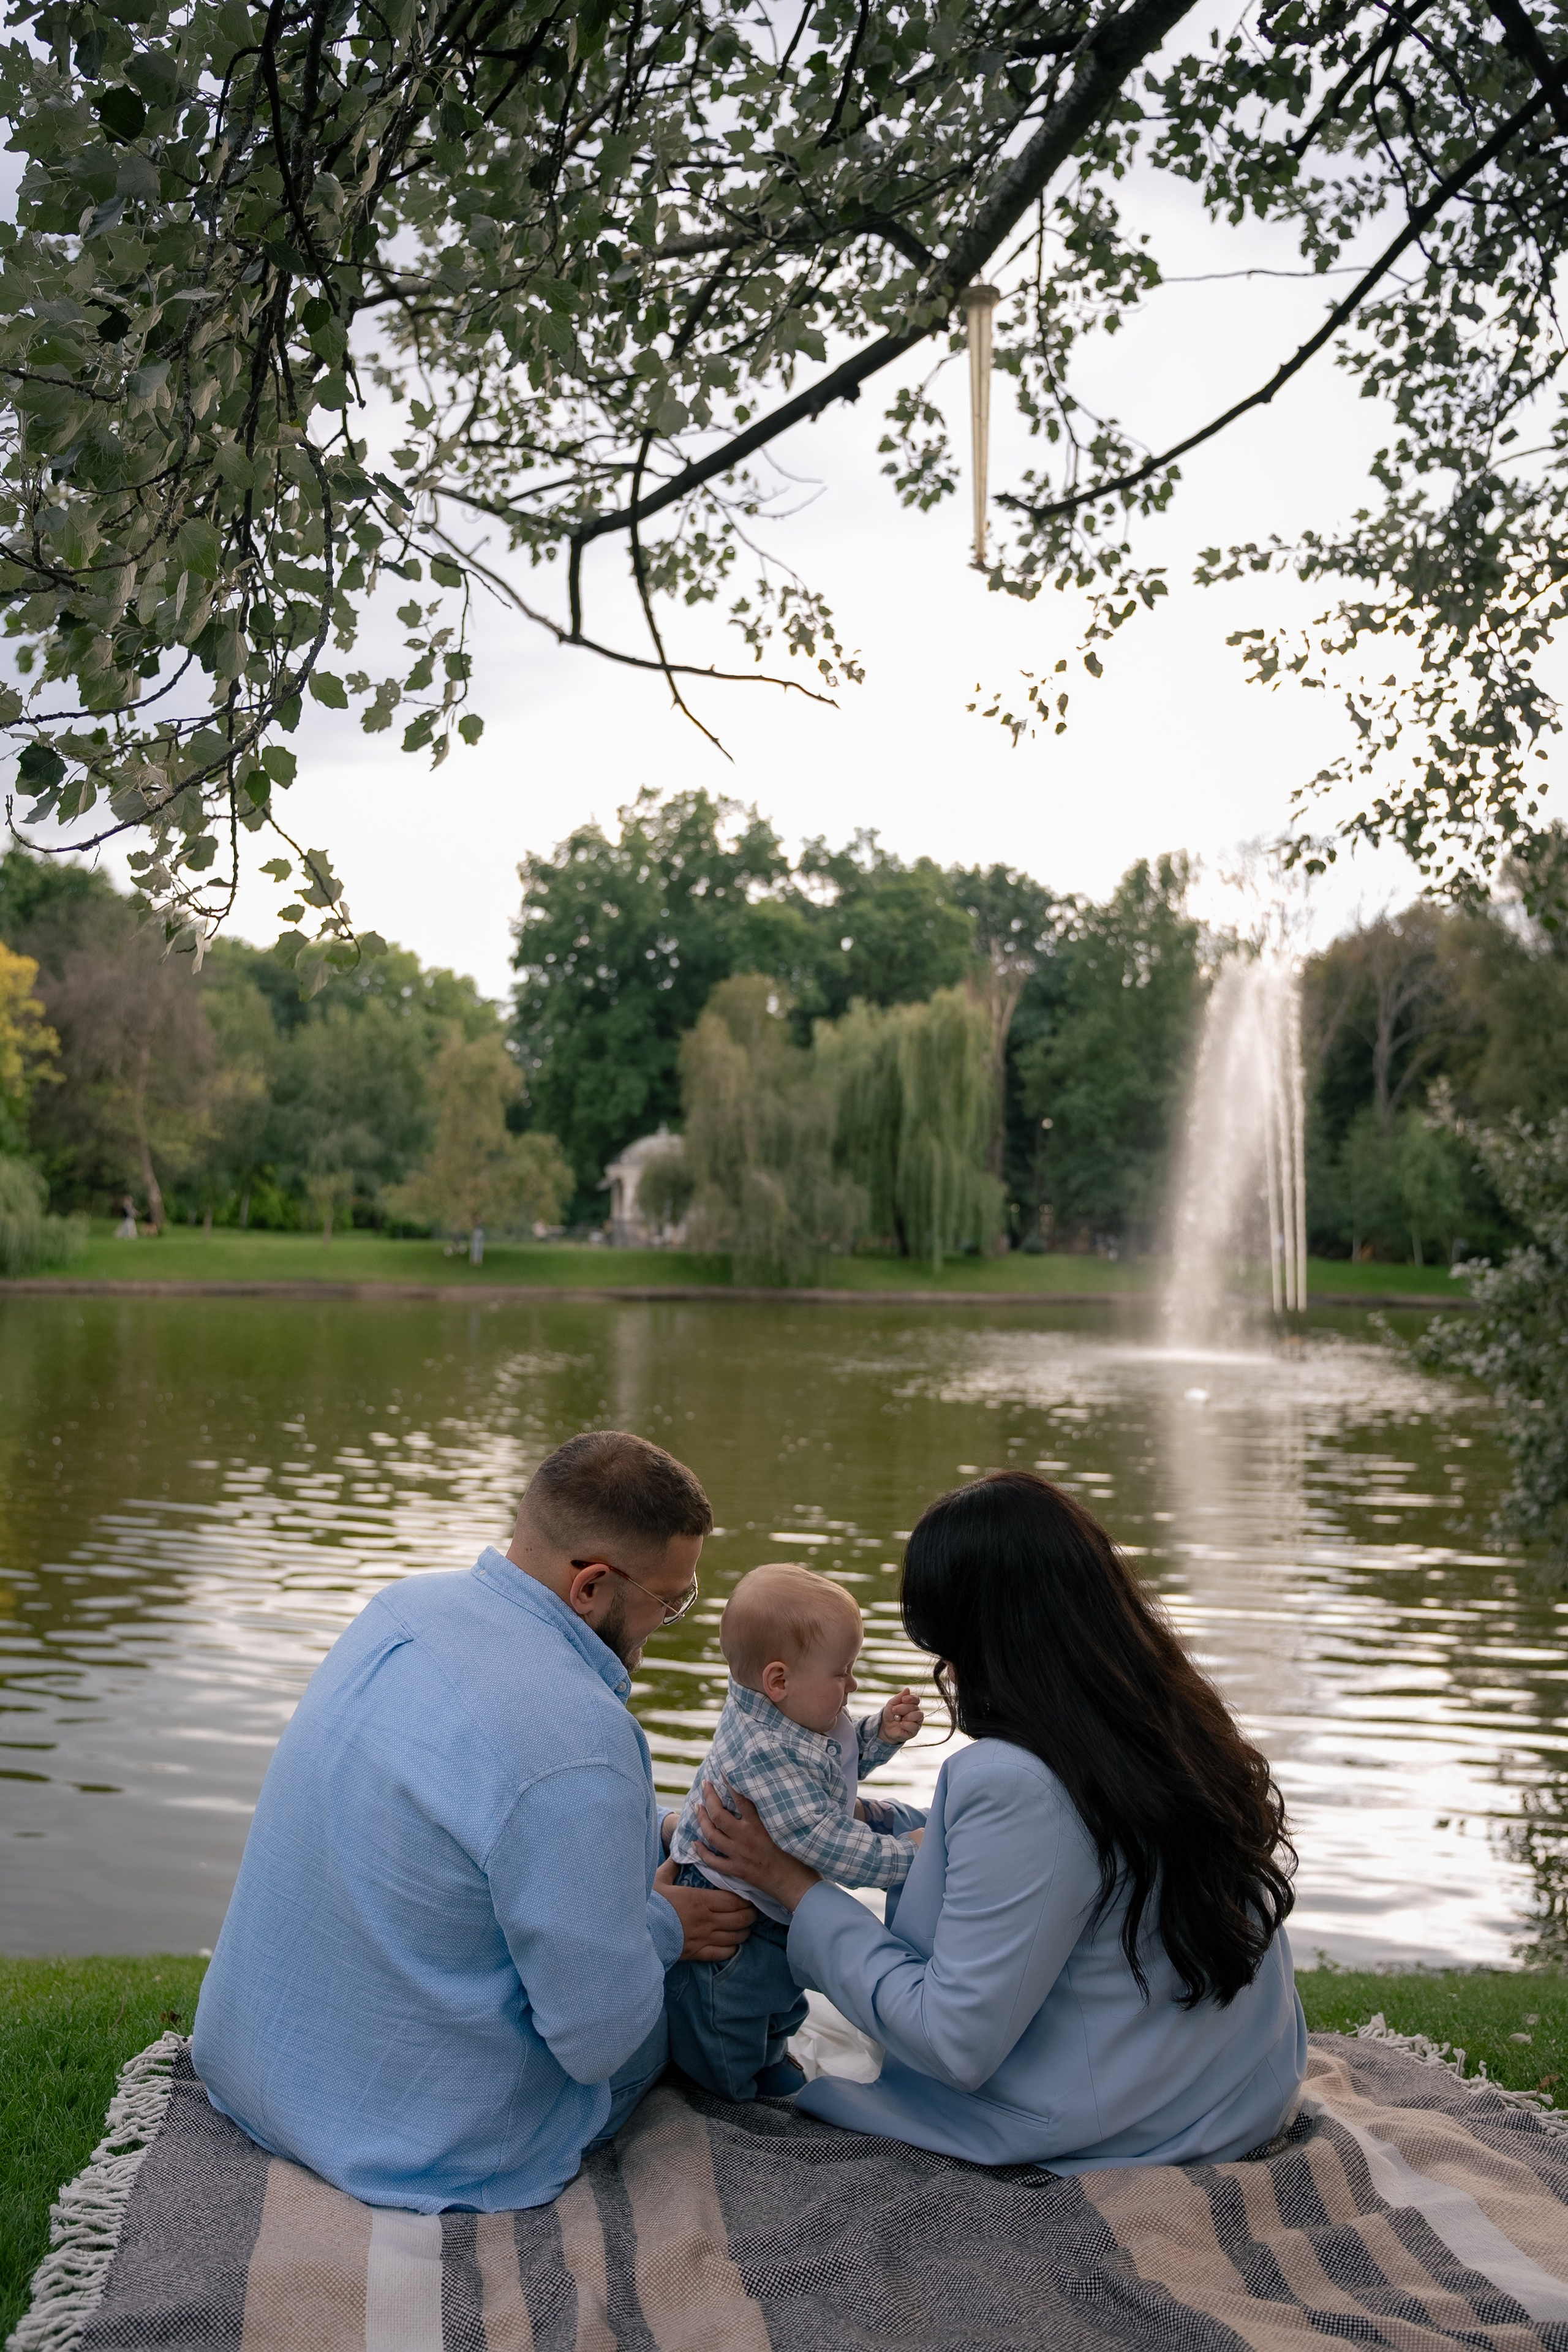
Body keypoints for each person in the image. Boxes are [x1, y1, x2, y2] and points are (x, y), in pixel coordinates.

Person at [192, 1430, 756, 2212]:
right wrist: (665, 1927)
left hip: (253, 2069)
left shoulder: (404, 1607)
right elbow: (597, 2043)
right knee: (693, 2005)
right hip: (416, 2145)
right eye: (670, 1601)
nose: (667, 1623)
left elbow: (492, 1808)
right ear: (592, 1585)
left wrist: (655, 1826)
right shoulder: (580, 1739)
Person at [693, 1471, 1307, 2172]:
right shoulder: (1158, 1719)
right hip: (1239, 2087)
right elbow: (1035, 1857)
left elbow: (953, 2042)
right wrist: (865, 1817)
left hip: (1131, 2126)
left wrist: (796, 1888)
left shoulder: (1013, 1781)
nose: (946, 1671)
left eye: (944, 1646)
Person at [665, 1563, 927, 2101]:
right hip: (728, 1904)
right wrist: (906, 1858)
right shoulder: (764, 1750)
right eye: (843, 1673)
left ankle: (770, 2055)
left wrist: (879, 1734)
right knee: (728, 2005)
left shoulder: (795, 1715)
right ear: (779, 1681)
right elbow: (825, 1840)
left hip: (766, 1896)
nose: (853, 1685)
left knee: (782, 1992)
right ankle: (726, 2094)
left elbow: (831, 1767)